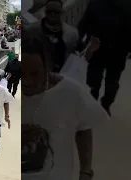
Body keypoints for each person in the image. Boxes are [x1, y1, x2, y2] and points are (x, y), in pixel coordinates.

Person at [21, 37, 109, 180]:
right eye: (21, 74)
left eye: (35, 74)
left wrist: (85, 171)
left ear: (47, 66)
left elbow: (83, 128)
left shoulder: (70, 92)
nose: (27, 82)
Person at [77, 0, 129, 116]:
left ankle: (106, 104)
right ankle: (92, 105)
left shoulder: (128, 5)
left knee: (112, 85)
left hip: (118, 52)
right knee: (93, 81)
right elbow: (83, 24)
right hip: (96, 51)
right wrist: (80, 41)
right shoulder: (96, 3)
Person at [23, 0, 79, 73]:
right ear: (45, 12)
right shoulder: (31, 30)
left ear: (61, 12)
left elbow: (73, 55)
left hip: (61, 73)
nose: (52, 14)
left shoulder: (72, 33)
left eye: (56, 12)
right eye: (50, 11)